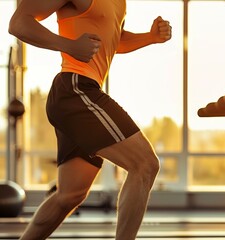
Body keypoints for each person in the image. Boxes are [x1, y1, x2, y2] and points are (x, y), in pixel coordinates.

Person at [8, 0, 172, 239]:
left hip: (79, 92)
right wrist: (69, 45)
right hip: (75, 88)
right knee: (145, 164)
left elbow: (114, 39)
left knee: (70, 195)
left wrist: (149, 37)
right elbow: (19, 23)